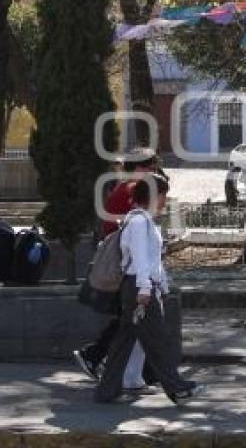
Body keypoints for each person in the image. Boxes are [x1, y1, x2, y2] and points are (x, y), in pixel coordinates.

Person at [95, 173, 204, 405]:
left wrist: (160, 285)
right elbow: (140, 258)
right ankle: (177, 388)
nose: (165, 200)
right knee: (158, 341)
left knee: (124, 342)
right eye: (163, 194)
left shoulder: (139, 220)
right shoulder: (139, 222)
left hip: (136, 287)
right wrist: (146, 288)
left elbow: (149, 259)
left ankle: (107, 391)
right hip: (139, 288)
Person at [74, 148, 158, 382]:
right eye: (150, 168)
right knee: (133, 318)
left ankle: (142, 371)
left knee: (132, 318)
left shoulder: (124, 188)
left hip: (123, 262)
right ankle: (96, 355)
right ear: (139, 167)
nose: (152, 172)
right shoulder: (131, 190)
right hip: (125, 264)